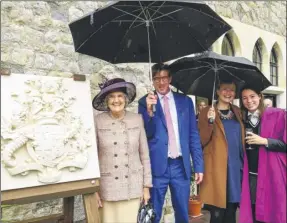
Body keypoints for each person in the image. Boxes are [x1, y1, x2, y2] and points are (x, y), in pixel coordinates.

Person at [138, 63, 204, 223]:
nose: (161, 82)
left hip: (180, 166)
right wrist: (149, 112)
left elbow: (193, 135)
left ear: (170, 78)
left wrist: (198, 166)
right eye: (157, 79)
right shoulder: (144, 102)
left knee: (182, 212)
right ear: (152, 80)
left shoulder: (185, 101)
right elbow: (146, 134)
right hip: (157, 166)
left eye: (164, 78)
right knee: (153, 213)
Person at [92, 78, 152, 223]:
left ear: (125, 99)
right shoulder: (97, 121)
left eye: (119, 96)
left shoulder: (137, 119)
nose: (116, 100)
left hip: (132, 187)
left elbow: (144, 155)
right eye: (111, 97)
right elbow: (91, 157)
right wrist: (93, 190)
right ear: (106, 101)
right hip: (107, 188)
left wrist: (146, 187)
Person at [198, 81, 245, 223]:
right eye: (225, 89)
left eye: (232, 90)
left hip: (235, 168)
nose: (228, 93)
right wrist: (210, 121)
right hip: (216, 169)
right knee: (217, 213)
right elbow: (202, 140)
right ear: (217, 91)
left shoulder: (237, 111)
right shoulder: (206, 111)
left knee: (232, 211)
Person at [239, 85, 286, 223]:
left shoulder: (278, 115)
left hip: (272, 175)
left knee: (274, 212)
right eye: (244, 98)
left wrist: (265, 141)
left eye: (252, 96)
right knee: (254, 213)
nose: (249, 101)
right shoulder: (241, 119)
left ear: (260, 96)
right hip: (251, 176)